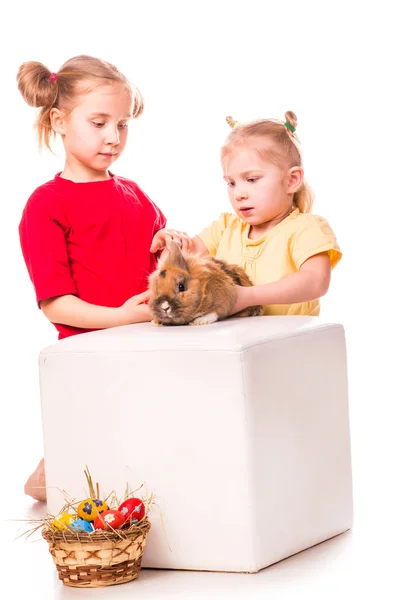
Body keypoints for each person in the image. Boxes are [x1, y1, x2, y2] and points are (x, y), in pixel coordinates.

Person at [17, 55, 187, 501]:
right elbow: (56, 303)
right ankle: (46, 480)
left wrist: (169, 241)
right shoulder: (47, 204)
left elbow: (161, 261)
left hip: (148, 341)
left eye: (123, 125)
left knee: (148, 440)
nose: (113, 138)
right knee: (95, 446)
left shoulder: (133, 192)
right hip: (90, 353)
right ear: (58, 120)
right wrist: (119, 317)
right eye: (98, 123)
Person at [151, 111, 342, 317]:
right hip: (237, 342)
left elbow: (316, 282)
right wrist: (170, 246)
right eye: (231, 183)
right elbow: (182, 267)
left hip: (289, 342)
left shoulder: (307, 228)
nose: (238, 193)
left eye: (251, 179)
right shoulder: (225, 227)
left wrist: (247, 297)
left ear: (292, 180)